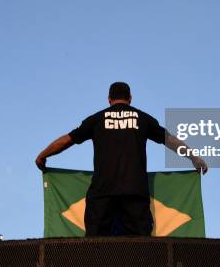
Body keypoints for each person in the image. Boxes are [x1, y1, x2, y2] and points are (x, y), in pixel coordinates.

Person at [35, 82, 208, 236]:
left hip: (102, 193)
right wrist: (193, 156)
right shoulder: (142, 118)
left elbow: (67, 140)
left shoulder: (97, 119)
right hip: (135, 193)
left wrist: (44, 154)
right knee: (141, 250)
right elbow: (169, 139)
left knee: (94, 249)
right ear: (130, 98)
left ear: (109, 99)